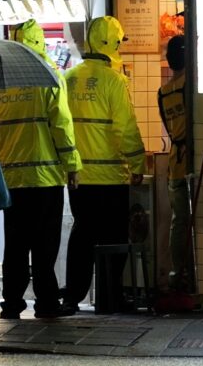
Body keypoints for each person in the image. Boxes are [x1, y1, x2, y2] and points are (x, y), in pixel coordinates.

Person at [0, 19, 82, 320]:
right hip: (45, 178)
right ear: (40, 43)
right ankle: (46, 303)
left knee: (15, 246)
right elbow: (61, 125)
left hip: (11, 179)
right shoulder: (48, 75)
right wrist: (72, 165)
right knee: (44, 245)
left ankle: (11, 304)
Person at [61, 16, 146, 315]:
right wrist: (138, 163)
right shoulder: (114, 81)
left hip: (79, 177)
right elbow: (125, 129)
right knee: (112, 239)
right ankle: (110, 299)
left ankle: (72, 296)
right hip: (110, 177)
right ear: (112, 44)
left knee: (82, 234)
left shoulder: (68, 79)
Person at [157, 35, 192, 291]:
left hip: (174, 164)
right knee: (191, 221)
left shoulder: (164, 91)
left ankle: (177, 272)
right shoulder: (192, 85)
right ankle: (189, 274)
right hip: (190, 162)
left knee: (178, 221)